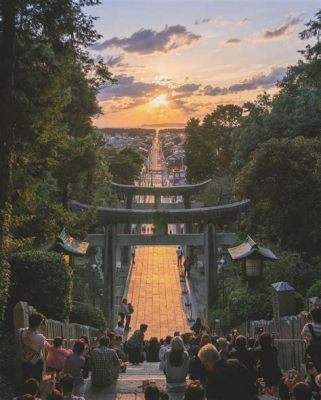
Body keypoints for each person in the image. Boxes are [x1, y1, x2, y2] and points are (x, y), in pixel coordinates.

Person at [19, 312, 50, 382]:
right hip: (36, 363)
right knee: (36, 383)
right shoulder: (41, 337)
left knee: (26, 381)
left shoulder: (21, 332)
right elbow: (44, 349)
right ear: (40, 324)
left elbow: (27, 330)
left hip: (25, 361)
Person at [302, 307, 321, 372]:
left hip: (312, 351)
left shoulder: (308, 326)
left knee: (313, 369)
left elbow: (303, 334)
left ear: (312, 316)